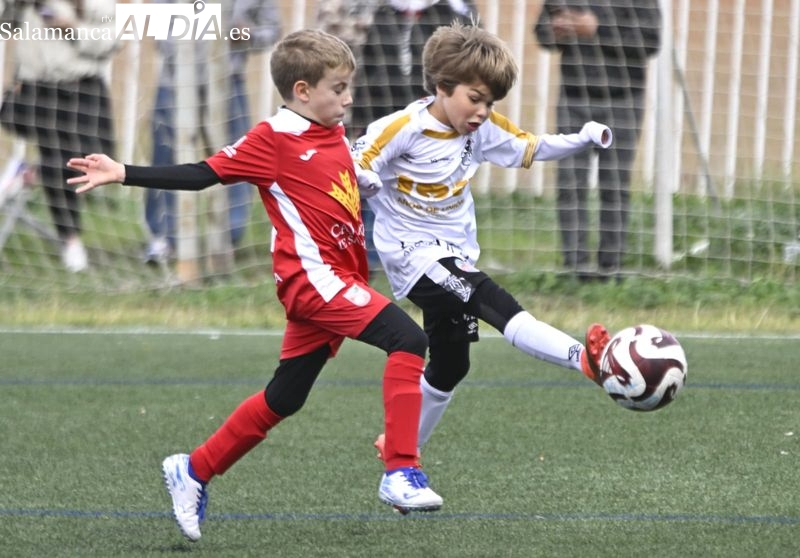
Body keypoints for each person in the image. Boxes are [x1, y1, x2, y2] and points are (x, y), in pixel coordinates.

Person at [67, 29, 443, 542]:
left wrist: (359, 180)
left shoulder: (331, 131)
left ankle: (194, 469)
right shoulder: (273, 138)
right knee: (409, 339)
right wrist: (123, 172)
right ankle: (400, 469)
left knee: (285, 396)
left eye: (349, 87)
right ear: (303, 91)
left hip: (338, 278)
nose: (349, 98)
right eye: (339, 88)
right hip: (314, 281)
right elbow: (202, 174)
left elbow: (325, 183)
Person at [349, 22, 612, 459]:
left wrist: (583, 139)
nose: (482, 112)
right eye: (475, 98)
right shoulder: (402, 128)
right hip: (413, 257)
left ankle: (400, 449)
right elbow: (356, 158)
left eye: (490, 103)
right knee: (491, 299)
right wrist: (364, 178)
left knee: (451, 365)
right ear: (442, 86)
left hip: (454, 253)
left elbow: (531, 146)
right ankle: (584, 359)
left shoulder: (479, 129)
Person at [144, 0, 282, 262]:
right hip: (175, 78)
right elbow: (157, 22)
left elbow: (272, 29)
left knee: (237, 159)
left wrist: (247, 35)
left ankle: (226, 239)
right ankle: (163, 238)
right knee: (165, 156)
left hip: (228, 80)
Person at [534, 1, 661, 276]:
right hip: (574, 98)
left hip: (623, 99)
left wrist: (597, 29)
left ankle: (610, 266)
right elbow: (541, 32)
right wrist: (555, 30)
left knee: (614, 184)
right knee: (570, 181)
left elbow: (651, 41)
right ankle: (575, 265)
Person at [0, 0, 117, 272]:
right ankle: (71, 240)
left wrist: (73, 29)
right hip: (35, 90)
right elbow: (4, 27)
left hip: (81, 90)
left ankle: (29, 173)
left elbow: (111, 41)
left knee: (85, 160)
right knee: (59, 163)